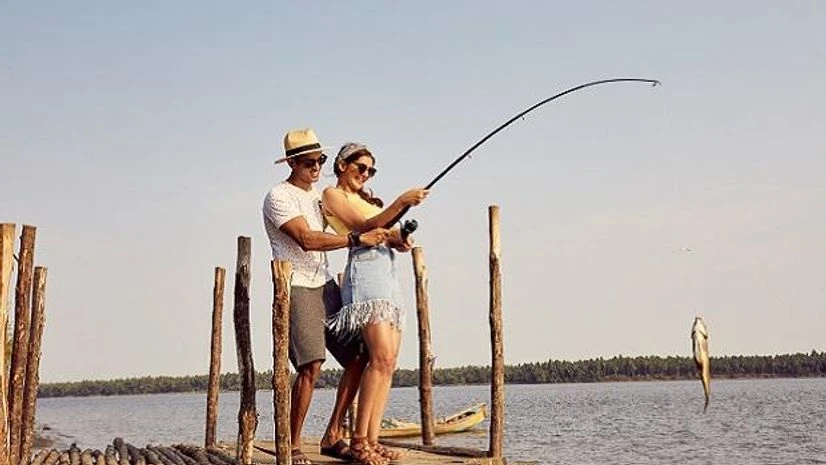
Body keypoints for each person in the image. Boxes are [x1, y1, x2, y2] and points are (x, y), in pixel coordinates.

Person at [263, 129, 389, 465]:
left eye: (320, 160)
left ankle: (333, 434)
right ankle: (291, 445)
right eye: (308, 162)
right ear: (291, 163)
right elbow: (306, 239)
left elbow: (356, 221)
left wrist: (386, 224)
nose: (316, 167)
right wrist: (355, 240)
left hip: (325, 284)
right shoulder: (279, 196)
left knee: (360, 355)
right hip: (297, 284)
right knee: (312, 365)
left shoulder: (322, 196)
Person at [322, 142, 429, 465]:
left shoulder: (369, 201)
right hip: (366, 277)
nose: (366, 174)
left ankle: (371, 439)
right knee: (379, 356)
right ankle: (358, 443)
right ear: (342, 165)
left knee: (388, 361)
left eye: (371, 170)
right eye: (361, 168)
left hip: (388, 277)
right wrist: (402, 201)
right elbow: (364, 227)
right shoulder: (332, 195)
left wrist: (401, 238)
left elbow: (386, 233)